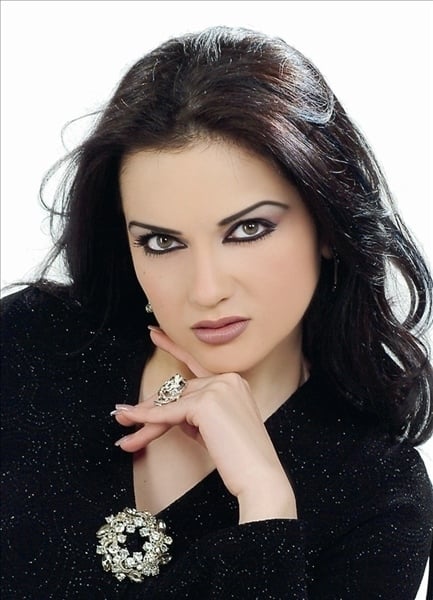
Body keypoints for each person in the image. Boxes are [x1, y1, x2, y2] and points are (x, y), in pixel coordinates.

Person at [1, 25, 432, 599]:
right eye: (161, 242)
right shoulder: (28, 345)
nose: (205, 290)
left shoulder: (377, 494)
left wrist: (265, 502)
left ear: (328, 225)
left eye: (248, 229)